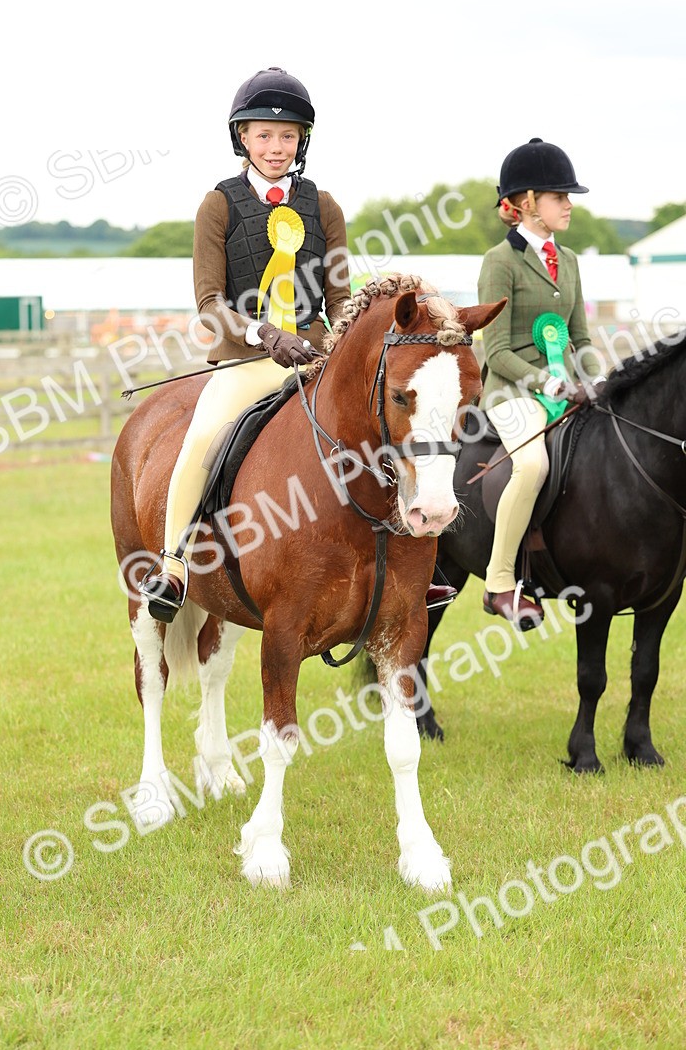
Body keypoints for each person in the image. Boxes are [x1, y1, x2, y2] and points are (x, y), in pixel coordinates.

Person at [141, 66, 456, 622]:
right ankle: (173, 566)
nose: (276, 147)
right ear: (242, 137)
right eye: (264, 135)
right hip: (247, 362)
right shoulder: (219, 206)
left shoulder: (322, 205)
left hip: (316, 362)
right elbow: (209, 302)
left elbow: (341, 301)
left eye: (287, 136)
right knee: (200, 442)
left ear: (301, 141)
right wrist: (264, 333)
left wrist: (341, 348)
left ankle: (418, 567)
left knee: (397, 434)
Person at [477, 138, 606, 630]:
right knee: (531, 465)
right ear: (528, 202)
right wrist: (545, 384)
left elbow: (580, 335)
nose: (569, 205)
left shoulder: (569, 261)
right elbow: (497, 350)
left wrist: (598, 380)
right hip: (512, 392)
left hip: (567, 386)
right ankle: (499, 582)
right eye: (560, 197)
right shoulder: (500, 261)